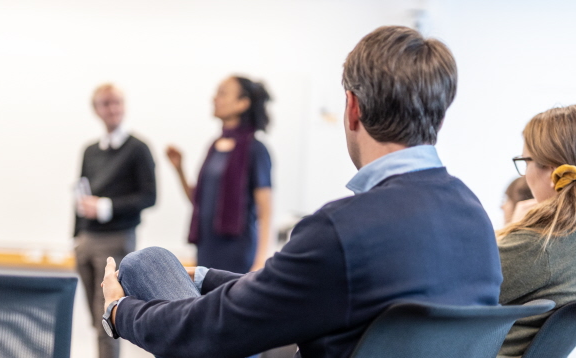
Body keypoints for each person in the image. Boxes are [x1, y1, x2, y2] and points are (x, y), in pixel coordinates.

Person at [101, 26, 503, 358]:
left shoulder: (343, 228)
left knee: (144, 263)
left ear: (353, 107)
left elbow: (213, 333)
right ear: (440, 111)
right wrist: (204, 276)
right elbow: (299, 290)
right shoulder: (474, 216)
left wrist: (120, 311)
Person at [497, 104, 576, 357]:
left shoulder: (542, 243)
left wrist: (510, 231)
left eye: (525, 161)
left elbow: (452, 284)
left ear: (552, 171)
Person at [74, 83, 156, 358]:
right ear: (96, 109)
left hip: (116, 239)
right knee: (93, 317)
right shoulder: (90, 151)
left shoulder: (138, 149)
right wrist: (77, 235)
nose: (112, 108)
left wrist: (106, 207)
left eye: (117, 102)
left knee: (107, 318)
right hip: (86, 240)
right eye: (106, 103)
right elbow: (81, 193)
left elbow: (149, 196)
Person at [165, 76, 273, 273]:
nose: (215, 98)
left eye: (223, 93)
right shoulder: (214, 147)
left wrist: (259, 263)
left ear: (243, 103)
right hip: (206, 250)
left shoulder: (255, 149)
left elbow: (265, 212)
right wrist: (179, 169)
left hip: (238, 255)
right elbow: (197, 200)